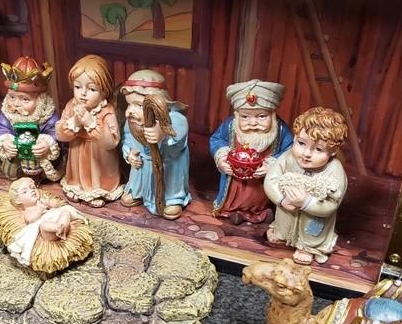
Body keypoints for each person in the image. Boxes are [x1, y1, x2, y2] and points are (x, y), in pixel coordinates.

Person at [263, 106, 348, 265]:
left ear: (333, 150)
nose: (306, 153)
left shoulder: (334, 170)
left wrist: (306, 202)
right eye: (301, 143)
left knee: (312, 231)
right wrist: (281, 200)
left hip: (313, 218)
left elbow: (332, 203)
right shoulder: (288, 157)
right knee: (284, 221)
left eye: (318, 149)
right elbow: (271, 180)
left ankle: (308, 248)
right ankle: (282, 234)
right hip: (286, 211)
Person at [210, 79, 293, 224]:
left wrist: (272, 165)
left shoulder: (280, 130)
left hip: (261, 181)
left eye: (261, 116)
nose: (253, 123)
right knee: (235, 195)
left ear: (272, 114)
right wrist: (222, 157)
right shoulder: (230, 126)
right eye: (245, 117)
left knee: (260, 195)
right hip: (236, 179)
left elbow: (290, 150)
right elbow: (217, 140)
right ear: (237, 115)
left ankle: (262, 211)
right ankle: (234, 210)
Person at [119, 69, 191, 219]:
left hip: (167, 166)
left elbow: (178, 133)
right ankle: (138, 193)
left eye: (139, 105)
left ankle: (172, 199)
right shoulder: (132, 121)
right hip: (143, 165)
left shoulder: (176, 118)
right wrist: (129, 153)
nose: (130, 111)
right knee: (138, 174)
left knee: (169, 176)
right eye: (129, 104)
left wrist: (163, 132)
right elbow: (127, 138)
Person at [55, 54, 123, 208]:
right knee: (77, 174)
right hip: (77, 152)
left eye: (91, 88)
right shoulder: (71, 105)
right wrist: (75, 123)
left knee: (98, 174)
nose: (83, 93)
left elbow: (112, 142)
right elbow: (59, 134)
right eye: (77, 87)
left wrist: (90, 123)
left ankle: (98, 190)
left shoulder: (106, 110)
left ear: (104, 91)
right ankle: (76, 186)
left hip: (100, 155)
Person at [0, 177, 93, 274]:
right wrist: (40, 209)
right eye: (25, 191)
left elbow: (57, 205)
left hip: (55, 218)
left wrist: (50, 203)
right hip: (47, 231)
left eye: (33, 187)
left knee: (66, 213)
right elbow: (30, 219)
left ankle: (63, 227)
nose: (32, 191)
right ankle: (57, 228)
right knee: (44, 225)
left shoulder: (42, 200)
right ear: (18, 201)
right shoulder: (28, 210)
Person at [0, 56, 62, 182]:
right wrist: (6, 142)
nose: (16, 104)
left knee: (46, 168)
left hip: (39, 157)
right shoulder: (7, 113)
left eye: (25, 99)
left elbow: (55, 131)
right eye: (12, 97)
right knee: (10, 171)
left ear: (40, 99)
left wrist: (46, 144)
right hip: (18, 155)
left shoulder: (47, 114)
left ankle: (39, 177)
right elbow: (2, 128)